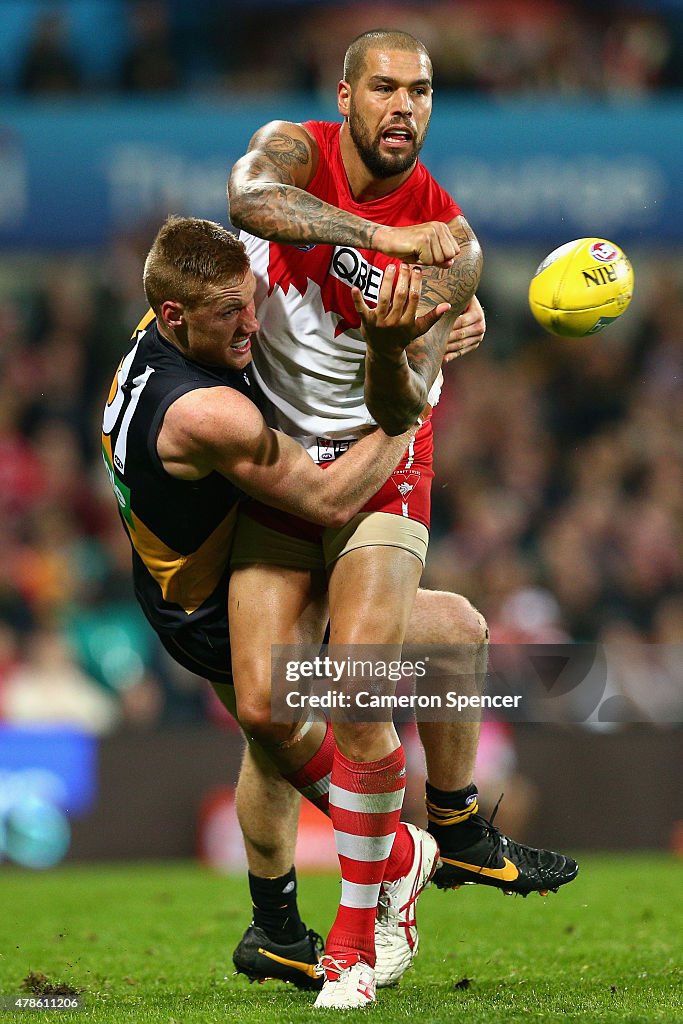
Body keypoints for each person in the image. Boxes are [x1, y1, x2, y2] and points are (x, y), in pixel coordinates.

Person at [227, 28, 577, 1008]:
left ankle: (356, 936)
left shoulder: (453, 245)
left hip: (382, 468)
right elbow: (248, 199)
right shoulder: (294, 151)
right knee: (264, 712)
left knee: (353, 684)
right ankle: (322, 893)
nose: (402, 106)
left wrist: (394, 345)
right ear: (343, 95)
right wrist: (376, 240)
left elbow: (396, 405)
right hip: (274, 467)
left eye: (419, 92)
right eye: (382, 86)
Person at [100, 212, 486, 995]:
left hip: (200, 570)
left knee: (453, 631)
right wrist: (423, 374)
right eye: (229, 314)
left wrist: (417, 311)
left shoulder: (171, 319)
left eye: (251, 299)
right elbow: (329, 497)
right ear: (173, 315)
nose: (252, 321)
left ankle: (278, 926)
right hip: (208, 600)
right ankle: (415, 852)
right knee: (281, 721)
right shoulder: (202, 411)